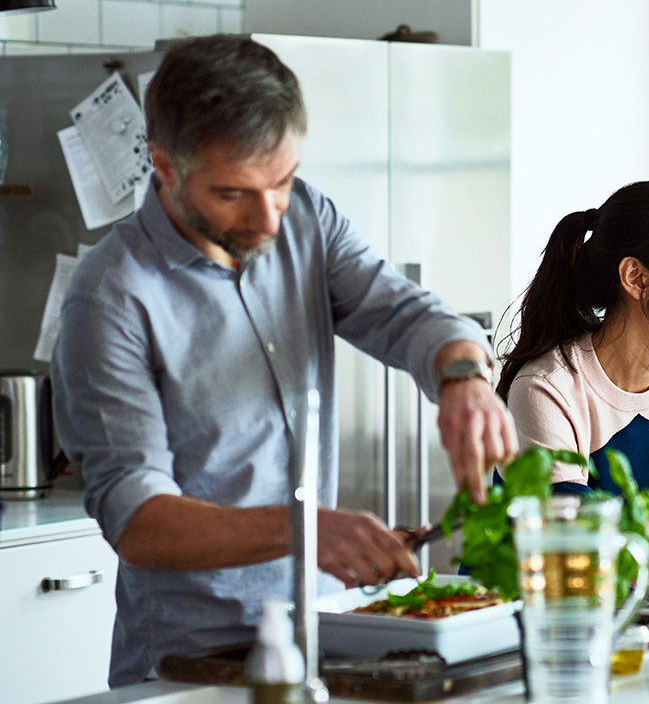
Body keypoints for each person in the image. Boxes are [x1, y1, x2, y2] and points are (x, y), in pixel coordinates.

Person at [49, 34, 518, 687]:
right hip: (194, 662)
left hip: (328, 630)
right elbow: (140, 519)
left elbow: (405, 313)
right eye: (234, 193)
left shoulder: (307, 219)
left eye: (283, 181)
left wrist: (463, 373)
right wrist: (307, 531)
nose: (269, 217)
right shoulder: (111, 296)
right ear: (164, 165)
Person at [497, 181, 649, 579]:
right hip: (537, 621)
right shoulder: (547, 389)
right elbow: (583, 559)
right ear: (637, 278)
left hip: (643, 614)